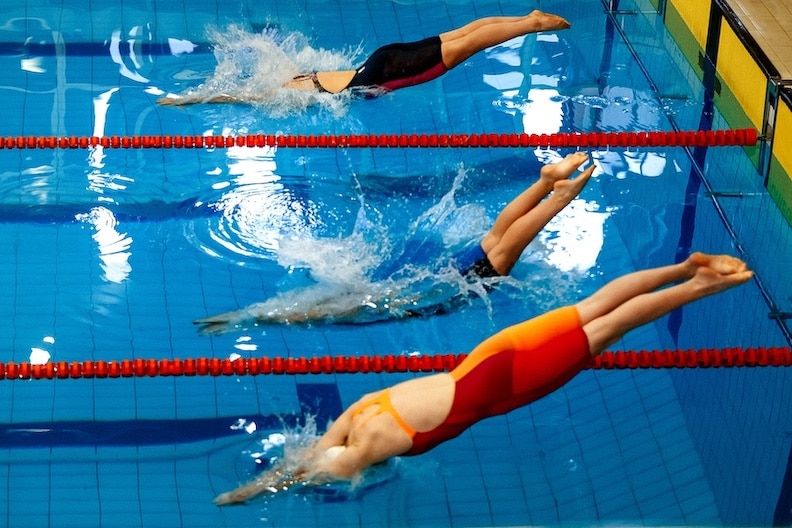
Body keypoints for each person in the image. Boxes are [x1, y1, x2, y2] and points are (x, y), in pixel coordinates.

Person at [213, 252, 753, 504]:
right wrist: (274, 478)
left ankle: (703, 285)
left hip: (508, 382)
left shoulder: (366, 446)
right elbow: (317, 451)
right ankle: (684, 267)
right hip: (489, 355)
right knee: (597, 305)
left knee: (609, 329)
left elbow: (306, 472)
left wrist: (252, 492)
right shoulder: (360, 410)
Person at [193, 153, 595, 333]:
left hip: (452, 275)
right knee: (496, 243)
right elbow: (301, 311)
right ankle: (546, 184)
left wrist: (247, 318)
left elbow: (302, 314)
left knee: (499, 249)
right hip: (447, 277)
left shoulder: (364, 305)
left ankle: (551, 191)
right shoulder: (366, 297)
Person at [158, 11, 571, 106]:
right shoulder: (299, 73)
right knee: (461, 34)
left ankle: (530, 24)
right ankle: (524, 19)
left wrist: (191, 100)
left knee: (467, 45)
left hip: (389, 69)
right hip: (380, 58)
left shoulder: (289, 95)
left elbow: (241, 98)